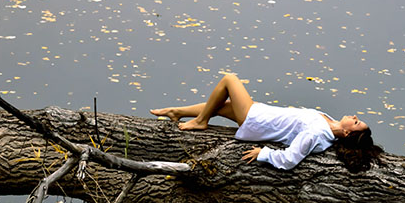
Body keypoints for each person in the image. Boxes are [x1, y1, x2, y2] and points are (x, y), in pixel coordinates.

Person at [151, 73, 382, 172]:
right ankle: (176, 112)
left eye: (356, 122)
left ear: (347, 133)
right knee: (220, 106)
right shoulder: (328, 122)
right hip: (261, 113)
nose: (353, 116)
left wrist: (264, 153)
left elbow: (290, 159)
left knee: (229, 79)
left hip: (257, 120)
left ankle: (200, 122)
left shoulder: (316, 134)